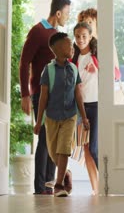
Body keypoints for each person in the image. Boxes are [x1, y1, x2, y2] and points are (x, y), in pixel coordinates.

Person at [19, 0, 71, 195]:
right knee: (44, 140)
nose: (67, 17)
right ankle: (40, 188)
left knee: (54, 140)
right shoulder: (38, 32)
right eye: (66, 13)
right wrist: (25, 94)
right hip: (40, 94)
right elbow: (24, 63)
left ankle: (50, 184)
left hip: (57, 96)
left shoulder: (57, 36)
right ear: (57, 13)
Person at [34, 32, 89, 197]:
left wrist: (84, 117)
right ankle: (66, 173)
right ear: (57, 49)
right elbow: (43, 97)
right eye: (69, 45)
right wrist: (38, 122)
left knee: (64, 148)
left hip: (69, 115)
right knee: (53, 152)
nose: (72, 48)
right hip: (51, 116)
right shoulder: (48, 70)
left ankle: (59, 185)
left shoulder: (73, 68)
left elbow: (78, 94)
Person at [71, 22, 99, 195]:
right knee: (86, 148)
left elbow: (116, 74)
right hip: (79, 107)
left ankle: (110, 183)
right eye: (77, 36)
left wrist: (97, 68)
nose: (80, 39)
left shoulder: (96, 55)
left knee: (95, 148)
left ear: (90, 37)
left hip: (96, 105)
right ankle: (96, 189)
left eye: (84, 36)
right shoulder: (73, 58)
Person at [77, 8, 121, 80]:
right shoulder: (80, 46)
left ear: (97, 24)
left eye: (90, 22)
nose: (87, 25)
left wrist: (97, 68)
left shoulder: (107, 44)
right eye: (84, 23)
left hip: (102, 88)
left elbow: (117, 74)